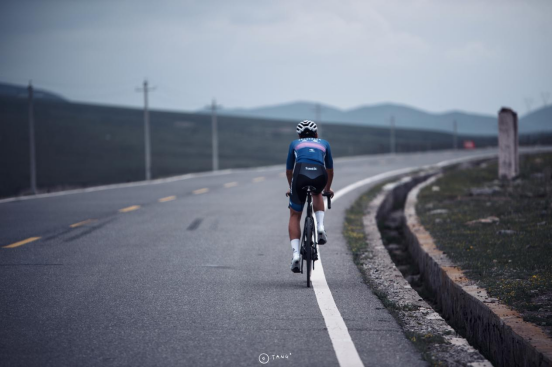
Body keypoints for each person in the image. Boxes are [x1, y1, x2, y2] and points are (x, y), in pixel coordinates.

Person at [285, 120, 334, 273]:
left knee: (294, 215)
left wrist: (291, 188)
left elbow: (289, 171)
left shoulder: (294, 144)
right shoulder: (324, 143)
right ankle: (320, 226)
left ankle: (295, 255)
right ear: (316, 134)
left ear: (299, 135)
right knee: (317, 192)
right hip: (319, 175)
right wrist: (327, 188)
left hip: (299, 176)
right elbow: (330, 170)